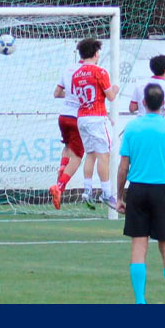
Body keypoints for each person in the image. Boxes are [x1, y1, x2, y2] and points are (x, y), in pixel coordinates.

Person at [116, 83, 165, 304]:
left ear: (144, 103)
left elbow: (123, 166)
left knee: (139, 245)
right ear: (163, 104)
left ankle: (140, 301)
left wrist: (120, 196)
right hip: (161, 192)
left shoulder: (132, 128)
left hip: (137, 190)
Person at [71, 38, 119, 209]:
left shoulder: (76, 74)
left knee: (90, 154)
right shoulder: (100, 72)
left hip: (82, 118)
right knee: (103, 155)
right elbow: (110, 96)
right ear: (97, 53)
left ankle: (87, 190)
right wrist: (115, 89)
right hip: (96, 118)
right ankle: (106, 194)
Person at [48, 52, 86, 210]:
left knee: (68, 147)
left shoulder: (69, 69)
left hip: (63, 117)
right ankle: (60, 187)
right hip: (77, 118)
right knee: (78, 156)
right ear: (95, 54)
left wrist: (70, 95)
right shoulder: (91, 71)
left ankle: (62, 168)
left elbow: (57, 93)